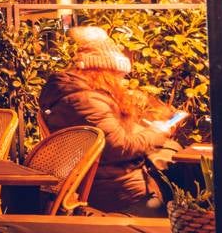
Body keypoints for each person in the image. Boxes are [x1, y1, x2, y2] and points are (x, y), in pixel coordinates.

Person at [37, 26, 178, 216]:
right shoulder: (85, 100)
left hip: (103, 181)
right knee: (181, 195)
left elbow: (108, 135)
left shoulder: (78, 96)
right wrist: (156, 133)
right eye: (118, 75)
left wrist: (143, 127)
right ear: (104, 73)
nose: (121, 81)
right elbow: (118, 146)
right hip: (117, 193)